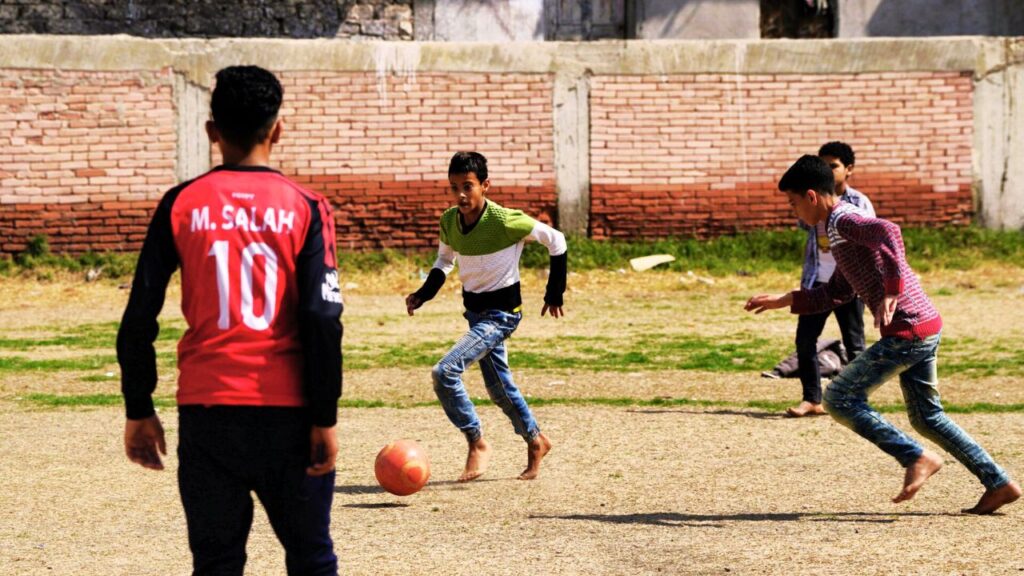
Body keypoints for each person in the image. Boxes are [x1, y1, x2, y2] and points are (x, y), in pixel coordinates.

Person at [117, 65, 343, 574]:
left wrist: (139, 407)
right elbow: (322, 317)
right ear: (277, 129)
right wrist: (324, 416)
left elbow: (139, 316)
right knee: (311, 557)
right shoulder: (307, 207)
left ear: (211, 130)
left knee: (216, 562)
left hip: (208, 413)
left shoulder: (180, 204)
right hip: (288, 413)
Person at [745, 155, 1021, 514]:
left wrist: (892, 290)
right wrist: (786, 299)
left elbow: (889, 231)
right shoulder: (836, 230)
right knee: (926, 418)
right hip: (922, 326)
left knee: (839, 398)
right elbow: (837, 292)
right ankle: (998, 483)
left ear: (811, 196)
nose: (792, 211)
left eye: (792, 202)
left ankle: (916, 457)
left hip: (908, 331)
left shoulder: (843, 219)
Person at [405, 151, 566, 482]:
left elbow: (557, 240)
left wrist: (554, 292)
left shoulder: (505, 221)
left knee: (445, 371)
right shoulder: (449, 221)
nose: (461, 195)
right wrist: (423, 294)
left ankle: (476, 441)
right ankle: (536, 440)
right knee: (499, 388)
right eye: (454, 187)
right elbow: (444, 261)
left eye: (468, 186)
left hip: (502, 315)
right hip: (476, 315)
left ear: (485, 185)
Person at [788, 141, 875, 418]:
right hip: (816, 281)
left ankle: (856, 400)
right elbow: (806, 226)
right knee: (805, 341)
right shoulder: (811, 199)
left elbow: (876, 241)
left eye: (834, 166)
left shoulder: (858, 203)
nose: (828, 170)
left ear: (849, 169)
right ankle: (812, 399)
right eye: (823, 165)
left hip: (849, 284)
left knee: (854, 344)